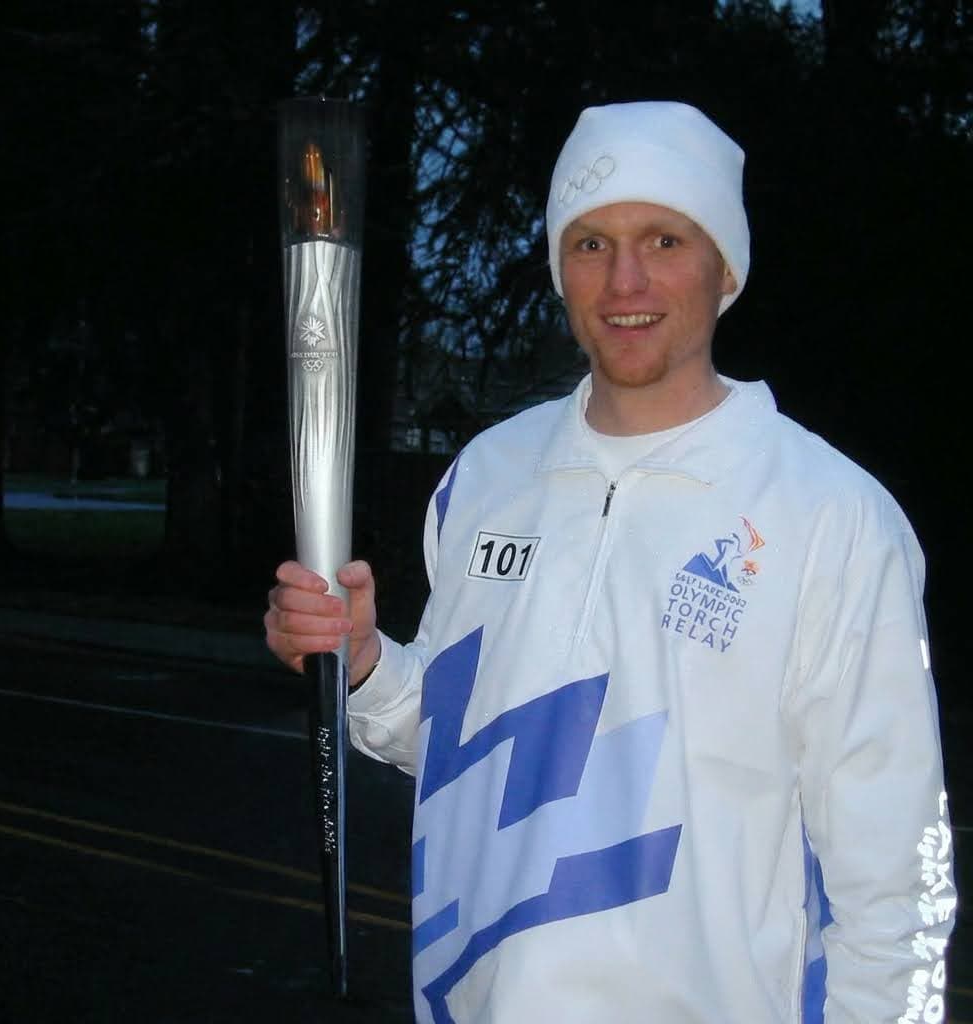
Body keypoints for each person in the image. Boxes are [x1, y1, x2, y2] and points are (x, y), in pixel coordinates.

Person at [265, 102, 954, 1023]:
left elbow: (895, 876)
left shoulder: (833, 516)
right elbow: (463, 746)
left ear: (726, 269)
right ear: (560, 270)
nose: (625, 279)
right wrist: (364, 668)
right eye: (590, 244)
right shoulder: (488, 477)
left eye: (665, 239)